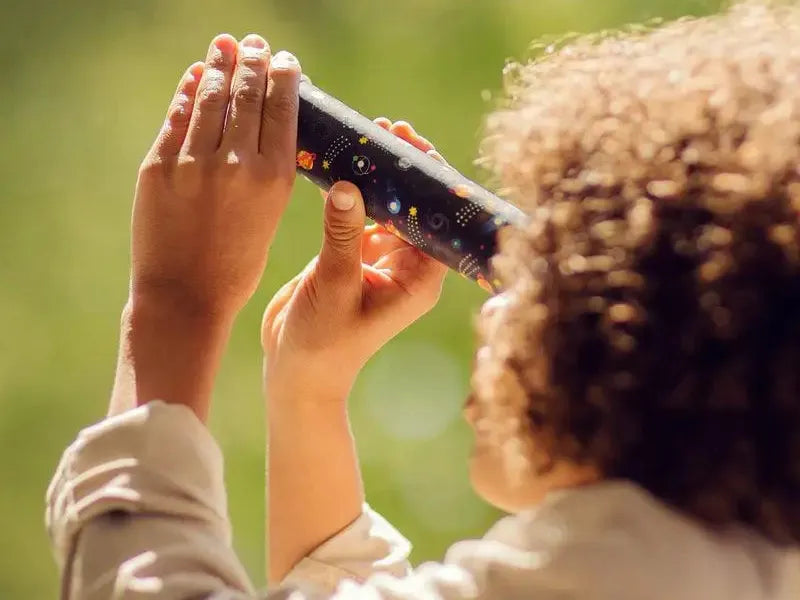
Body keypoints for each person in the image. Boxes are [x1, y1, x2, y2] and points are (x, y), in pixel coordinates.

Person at [46, 3, 800, 598]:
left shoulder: (636, 570)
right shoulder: (736, 560)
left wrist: (175, 304)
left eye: (543, 281)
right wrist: (308, 386)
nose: (492, 307)